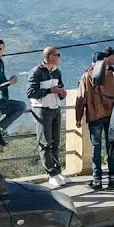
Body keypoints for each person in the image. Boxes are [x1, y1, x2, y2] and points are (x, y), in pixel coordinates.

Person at [76, 47, 114, 190]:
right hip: (112, 117)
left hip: (95, 116)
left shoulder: (87, 76)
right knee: (111, 147)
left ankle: (97, 181)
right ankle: (113, 179)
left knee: (96, 148)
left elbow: (81, 99)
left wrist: (78, 118)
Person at [28, 46, 69, 187]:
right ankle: (51, 173)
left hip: (55, 109)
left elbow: (60, 88)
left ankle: (58, 171)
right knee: (45, 143)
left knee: (56, 143)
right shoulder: (36, 72)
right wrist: (50, 90)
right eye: (58, 55)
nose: (60, 57)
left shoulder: (57, 72)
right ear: (51, 56)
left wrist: (62, 94)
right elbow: (31, 93)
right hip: (42, 110)